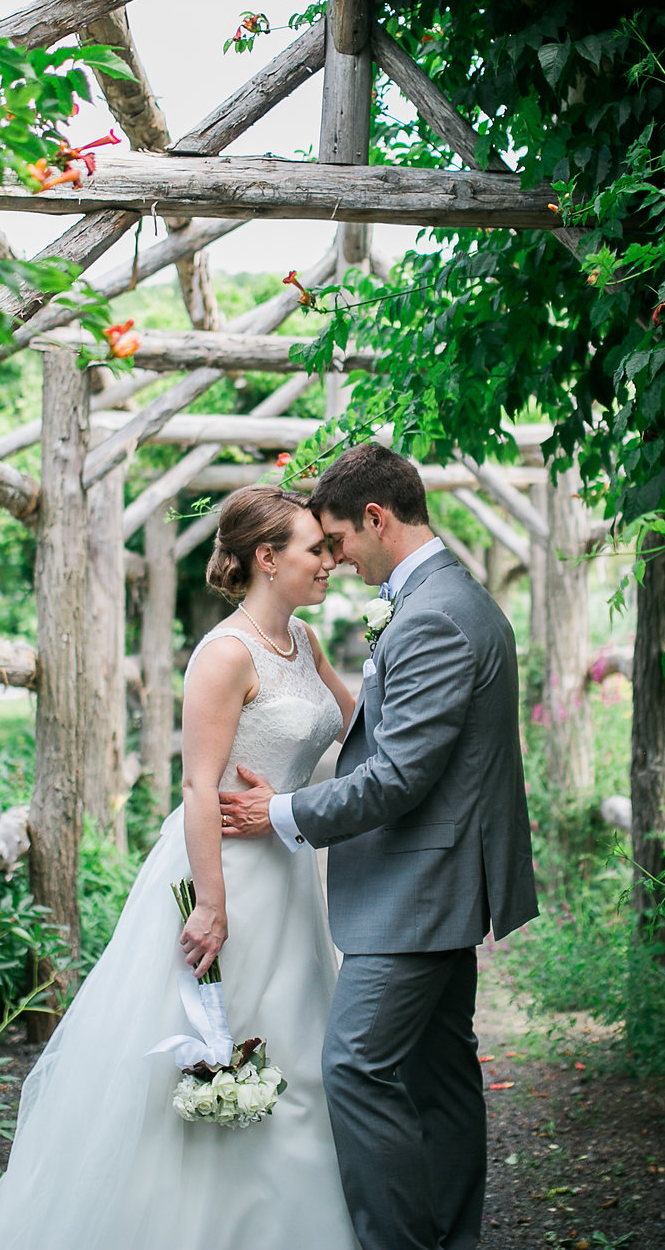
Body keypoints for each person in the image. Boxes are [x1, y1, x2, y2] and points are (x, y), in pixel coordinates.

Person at [0, 486, 359, 1250]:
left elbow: (355, 728)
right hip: (226, 872)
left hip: (289, 871)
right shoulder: (226, 654)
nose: (330, 560)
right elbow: (197, 785)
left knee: (293, 1049)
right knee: (213, 1044)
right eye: (314, 549)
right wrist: (210, 903)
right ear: (268, 558)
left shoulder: (306, 641)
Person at [222, 443, 538, 1250]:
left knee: (356, 1067)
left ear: (376, 517)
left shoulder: (433, 614)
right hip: (438, 880)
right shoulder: (443, 597)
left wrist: (282, 812)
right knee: (440, 1072)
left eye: (336, 540)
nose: (333, 559)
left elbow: (398, 776)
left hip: (420, 890)